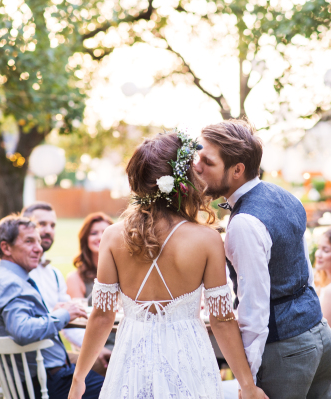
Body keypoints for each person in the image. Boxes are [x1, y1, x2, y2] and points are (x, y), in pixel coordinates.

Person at [68, 129, 267, 399]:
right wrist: (247, 385)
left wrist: (79, 378)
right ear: (185, 180)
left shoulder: (112, 237)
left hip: (131, 359)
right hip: (187, 359)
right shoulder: (207, 239)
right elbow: (221, 320)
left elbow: (102, 316)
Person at [194, 119, 331, 399]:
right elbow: (304, 274)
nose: (197, 167)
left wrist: (248, 380)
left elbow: (254, 307)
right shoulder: (286, 196)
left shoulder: (244, 223)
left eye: (207, 162)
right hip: (321, 336)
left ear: (237, 170)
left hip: (285, 351)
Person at [0, 215, 105, 399]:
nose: (38, 249)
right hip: (44, 381)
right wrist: (63, 314)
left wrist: (52, 314)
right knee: (117, 387)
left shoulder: (7, 277)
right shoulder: (10, 283)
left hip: (47, 375)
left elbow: (21, 320)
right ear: (6, 247)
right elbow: (22, 331)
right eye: (29, 241)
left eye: (38, 242)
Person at [64, 213, 115, 372]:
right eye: (94, 233)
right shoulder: (75, 278)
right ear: (85, 238)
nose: (100, 237)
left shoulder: (125, 273)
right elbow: (79, 323)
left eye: (105, 232)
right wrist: (97, 350)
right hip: (97, 348)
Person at [21, 202, 70, 311]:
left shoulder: (55, 275)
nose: (49, 231)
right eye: (41, 224)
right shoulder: (15, 273)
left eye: (52, 226)